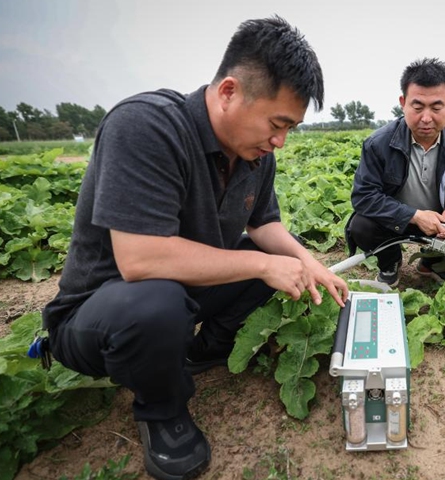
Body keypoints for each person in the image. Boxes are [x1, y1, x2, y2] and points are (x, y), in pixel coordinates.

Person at [41, 16, 348, 480]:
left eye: (291, 128)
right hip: (105, 309)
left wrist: (310, 263)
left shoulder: (253, 153)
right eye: (277, 123)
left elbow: (263, 223)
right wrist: (262, 263)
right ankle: (161, 409)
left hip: (180, 291)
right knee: (157, 300)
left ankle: (203, 349)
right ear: (229, 92)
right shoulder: (146, 125)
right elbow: (140, 260)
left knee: (278, 263)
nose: (280, 141)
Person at [347, 58, 445, 287]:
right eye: (417, 107)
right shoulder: (378, 144)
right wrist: (414, 215)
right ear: (403, 103)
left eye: (436, 108)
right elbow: (364, 196)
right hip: (398, 220)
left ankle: (432, 262)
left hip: (442, 222)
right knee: (362, 225)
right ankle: (390, 262)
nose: (426, 118)